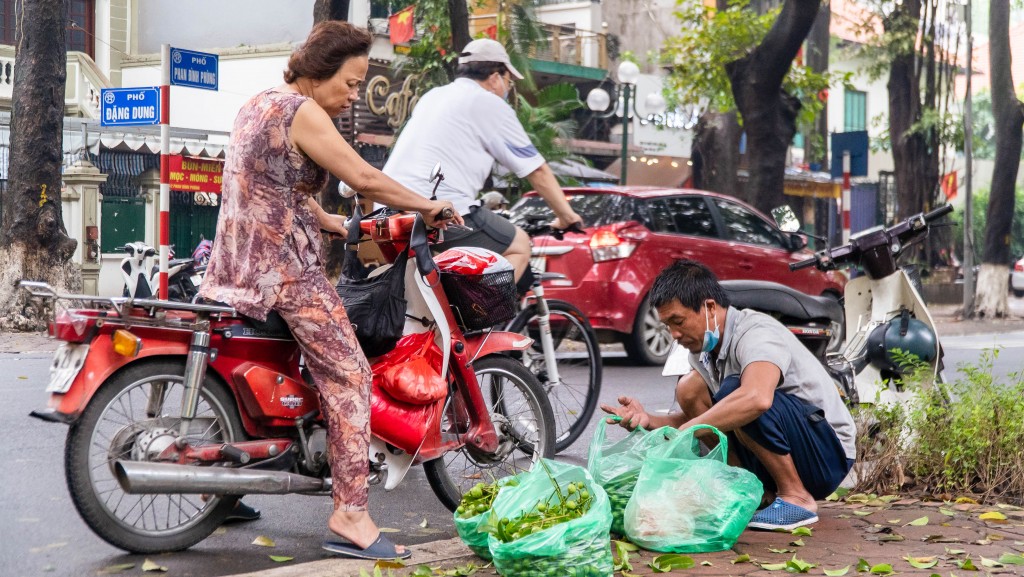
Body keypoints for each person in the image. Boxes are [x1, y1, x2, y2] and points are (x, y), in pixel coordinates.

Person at [198, 21, 460, 560]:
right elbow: (364, 177)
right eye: (351, 82)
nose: (354, 94)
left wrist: (337, 225)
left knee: (280, 364)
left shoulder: (259, 103)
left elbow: (279, 185)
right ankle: (350, 514)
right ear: (319, 74)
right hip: (284, 270)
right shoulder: (303, 111)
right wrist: (426, 206)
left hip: (236, 261)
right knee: (350, 373)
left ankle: (224, 483)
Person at [600, 260, 856, 531]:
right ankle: (752, 491)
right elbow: (700, 419)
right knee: (689, 390)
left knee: (737, 394)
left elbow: (757, 399)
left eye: (678, 321)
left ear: (709, 307)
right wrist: (648, 419)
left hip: (828, 455)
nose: (674, 334)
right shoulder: (701, 353)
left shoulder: (756, 332)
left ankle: (797, 498)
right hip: (794, 447)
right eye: (667, 326)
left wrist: (687, 431)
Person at [382, 38, 583, 285]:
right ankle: (473, 323)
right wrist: (567, 216)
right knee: (519, 245)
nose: (508, 89)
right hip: (439, 211)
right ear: (496, 77)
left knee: (433, 281)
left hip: (386, 211)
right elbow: (537, 170)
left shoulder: (433, 96)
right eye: (509, 81)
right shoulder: (489, 103)